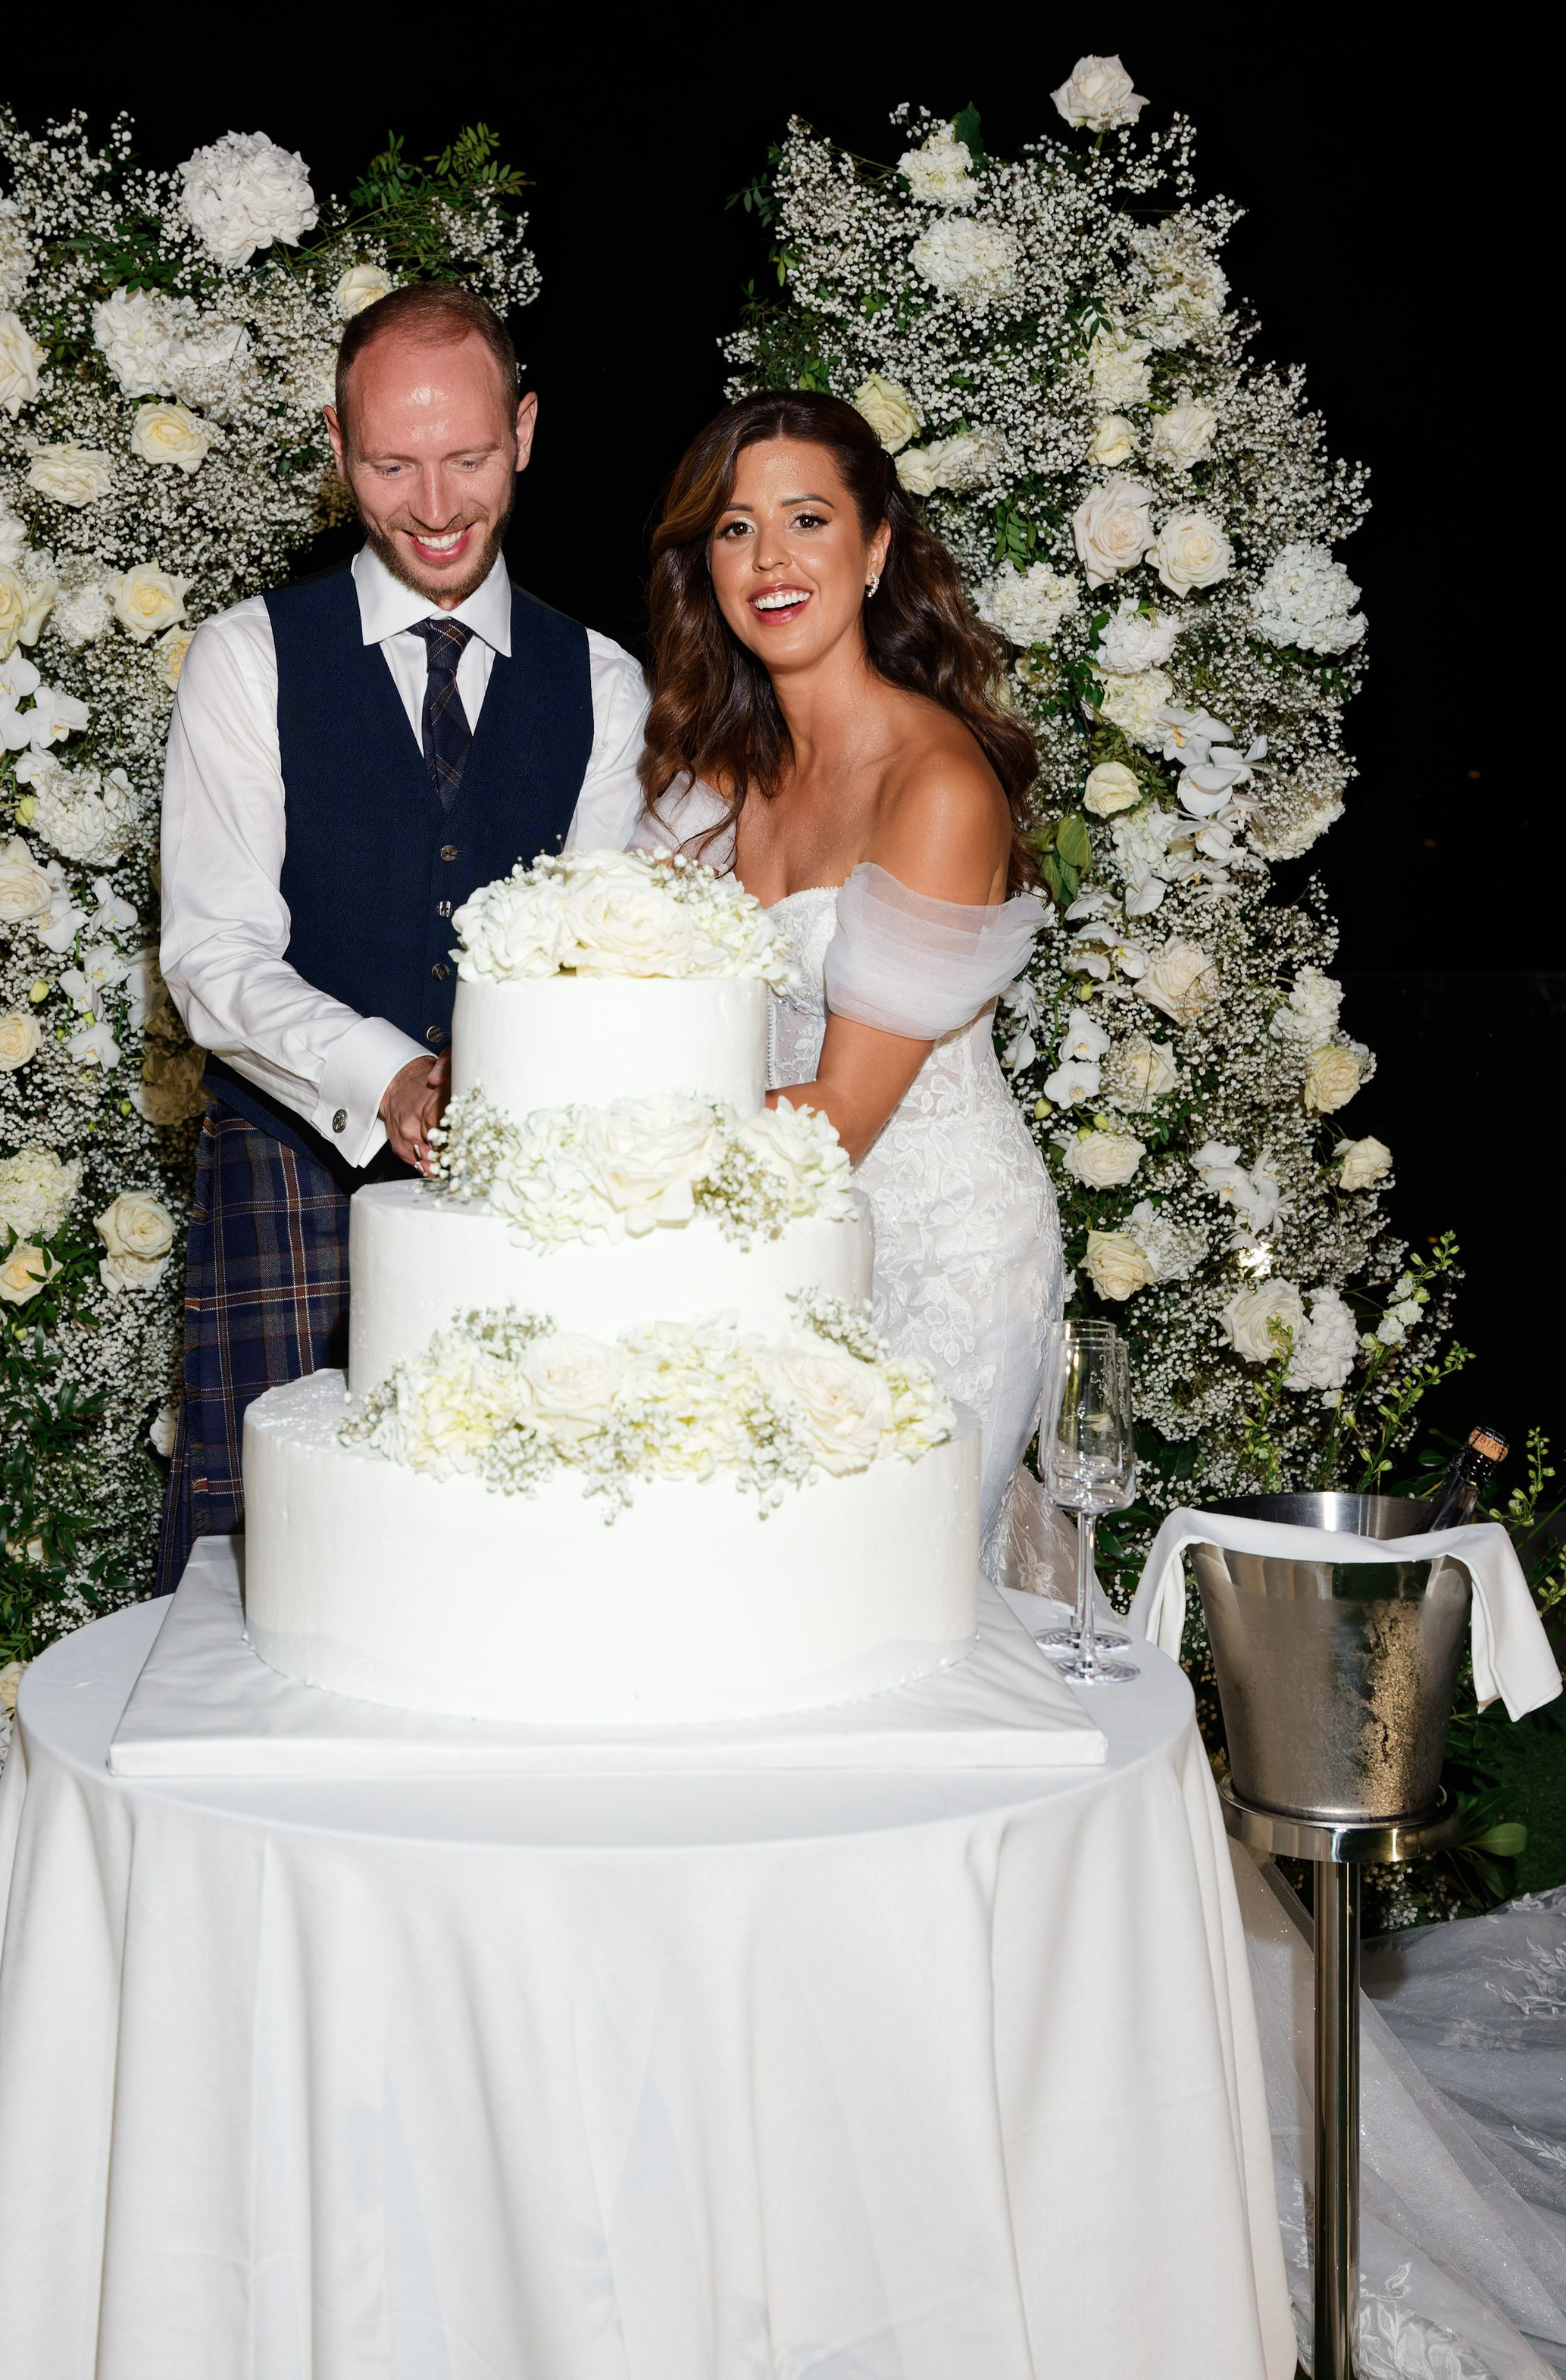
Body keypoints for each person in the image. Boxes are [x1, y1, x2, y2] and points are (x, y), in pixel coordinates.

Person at [155, 284, 649, 1586]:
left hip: (522, 1209)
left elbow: (590, 963)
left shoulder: (604, 685)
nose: (435, 505)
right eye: (391, 463)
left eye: (470, 457)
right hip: (289, 1182)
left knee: (504, 1575)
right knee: (260, 1588)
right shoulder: (245, 659)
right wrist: (390, 1074)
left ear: (527, 431)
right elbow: (212, 955)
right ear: (336, 446)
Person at [638, 389, 1062, 1554]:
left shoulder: (935, 786)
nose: (770, 559)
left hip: (938, 1259)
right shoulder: (710, 780)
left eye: (808, 520)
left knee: (882, 1600)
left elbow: (837, 1121)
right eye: (733, 529)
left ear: (875, 549)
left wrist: (602, 1154)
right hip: (768, 1242)